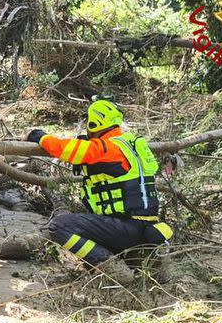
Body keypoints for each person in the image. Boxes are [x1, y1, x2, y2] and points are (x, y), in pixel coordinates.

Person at [26, 98, 173, 283]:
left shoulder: (106, 149)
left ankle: (111, 267)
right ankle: (147, 259)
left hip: (125, 227)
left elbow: (62, 148)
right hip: (147, 226)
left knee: (59, 226)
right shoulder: (133, 143)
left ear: (94, 122)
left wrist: (40, 136)